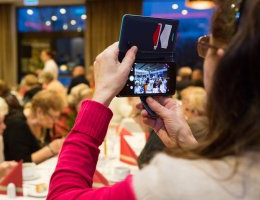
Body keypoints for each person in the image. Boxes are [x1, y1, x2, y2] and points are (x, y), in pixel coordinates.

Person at [47, 0, 260, 199]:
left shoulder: (177, 180)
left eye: (206, 46)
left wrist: (100, 96)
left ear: (223, 60)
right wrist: (187, 145)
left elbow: (61, 195)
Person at [3, 90, 65, 164]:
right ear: (39, 112)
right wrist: (50, 149)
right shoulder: (16, 125)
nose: (55, 121)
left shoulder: (43, 123)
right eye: (53, 117)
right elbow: (21, 162)